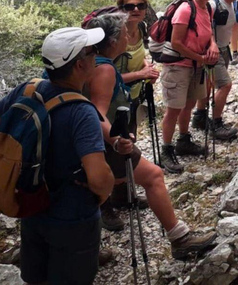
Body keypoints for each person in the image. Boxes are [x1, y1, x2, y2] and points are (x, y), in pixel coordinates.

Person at [0, 26, 114, 285]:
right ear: (79, 65)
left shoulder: (29, 89)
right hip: (73, 215)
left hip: (31, 202)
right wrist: (102, 194)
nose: (97, 57)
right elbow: (99, 178)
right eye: (93, 52)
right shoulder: (82, 111)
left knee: (37, 277)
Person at [83, 13, 217, 259]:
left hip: (93, 141)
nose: (128, 37)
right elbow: (96, 112)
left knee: (94, 190)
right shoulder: (104, 69)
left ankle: (86, 248)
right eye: (124, 34)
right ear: (113, 41)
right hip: (103, 142)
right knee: (154, 176)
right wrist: (115, 139)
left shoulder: (93, 62)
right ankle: (180, 239)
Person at [99, 0, 160, 230]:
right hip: (109, 102)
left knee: (127, 142)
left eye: (140, 5)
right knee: (107, 152)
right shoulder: (114, 35)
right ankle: (104, 205)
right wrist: (140, 74)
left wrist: (146, 68)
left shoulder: (140, 29)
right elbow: (104, 75)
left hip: (130, 97)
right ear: (120, 8)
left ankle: (122, 195)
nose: (135, 10)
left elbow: (138, 55)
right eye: (129, 6)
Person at [159, 0, 220, 173]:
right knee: (174, 109)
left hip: (196, 65)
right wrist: (200, 58)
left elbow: (209, 32)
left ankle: (183, 141)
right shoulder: (185, 10)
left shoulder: (208, 7)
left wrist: (212, 45)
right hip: (178, 66)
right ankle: (166, 150)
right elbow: (176, 42)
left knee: (189, 104)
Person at [191, 0, 238, 139]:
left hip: (223, 48)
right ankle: (216, 124)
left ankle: (200, 116)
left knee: (209, 84)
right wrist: (211, 45)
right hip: (213, 50)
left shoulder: (231, 2)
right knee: (225, 85)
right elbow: (203, 26)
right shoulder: (213, 4)